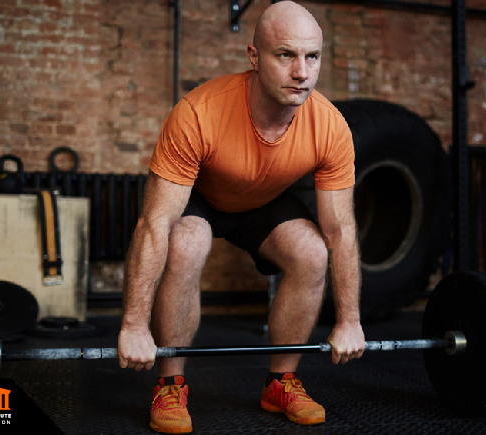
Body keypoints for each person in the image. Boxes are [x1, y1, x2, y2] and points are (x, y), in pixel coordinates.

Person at [117, 1, 365, 433]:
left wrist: (350, 321)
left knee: (311, 252)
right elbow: (153, 223)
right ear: (254, 58)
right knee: (185, 240)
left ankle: (281, 382)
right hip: (203, 196)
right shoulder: (199, 113)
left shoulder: (330, 126)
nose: (301, 72)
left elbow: (339, 230)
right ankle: (170, 384)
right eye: (285, 55)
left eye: (312, 57)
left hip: (263, 202)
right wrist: (134, 326)